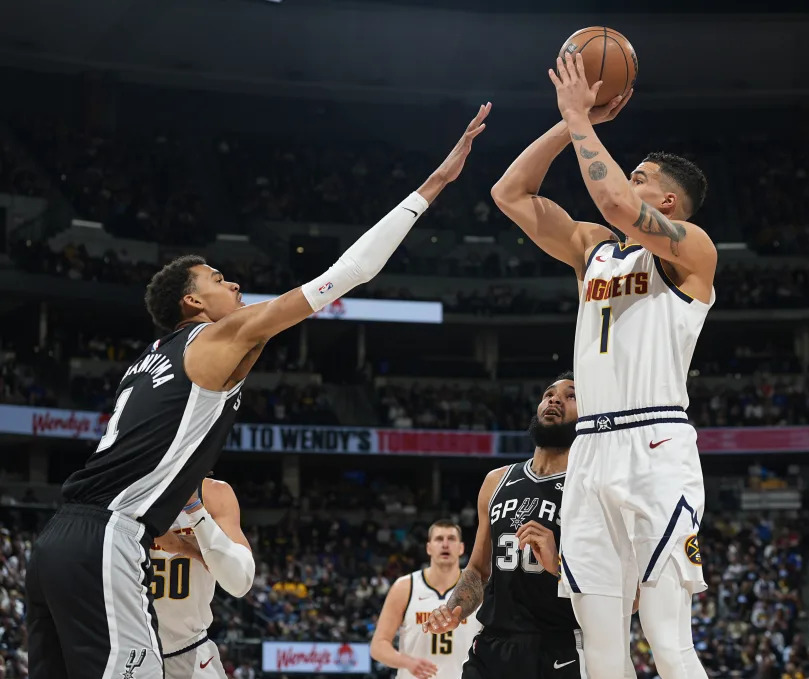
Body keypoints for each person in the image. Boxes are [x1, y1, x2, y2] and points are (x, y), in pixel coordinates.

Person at [25, 103, 491, 679]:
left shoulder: (149, 362)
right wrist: (434, 184)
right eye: (219, 280)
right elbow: (349, 274)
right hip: (107, 534)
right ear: (193, 303)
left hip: (54, 540)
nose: (235, 282)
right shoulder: (216, 337)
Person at [491, 53, 714, 679]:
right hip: (590, 452)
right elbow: (510, 193)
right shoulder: (592, 248)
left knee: (669, 643)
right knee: (601, 649)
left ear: (667, 199)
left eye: (639, 174)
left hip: (656, 443)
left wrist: (578, 118)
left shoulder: (691, 249)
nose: (627, 176)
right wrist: (571, 124)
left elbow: (617, 203)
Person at [424, 374, 635, 678]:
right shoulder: (496, 481)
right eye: (549, 394)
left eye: (570, 395)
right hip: (491, 645)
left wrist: (559, 565)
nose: (555, 399)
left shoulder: (596, 488)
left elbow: (629, 593)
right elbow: (478, 571)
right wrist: (454, 608)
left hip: (557, 647)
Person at [150, 477, 252, 678]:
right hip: (129, 644)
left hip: (189, 648)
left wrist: (194, 507)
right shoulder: (123, 486)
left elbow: (240, 584)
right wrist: (188, 548)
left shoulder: (214, 493)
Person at [371, 520, 482, 679]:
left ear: (461, 548)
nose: (445, 544)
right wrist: (407, 662)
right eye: (438, 539)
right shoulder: (405, 587)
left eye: (451, 539)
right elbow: (378, 646)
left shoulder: (476, 587)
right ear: (428, 548)